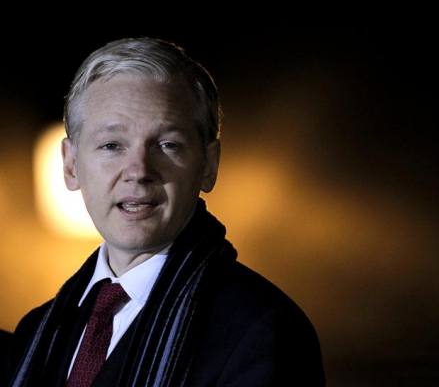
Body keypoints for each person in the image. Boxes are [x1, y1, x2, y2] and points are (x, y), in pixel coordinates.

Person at [8, 37, 326, 386]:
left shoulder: (264, 333)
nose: (139, 170)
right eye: (112, 145)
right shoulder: (33, 332)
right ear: (70, 166)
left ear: (209, 165)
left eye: (167, 144)